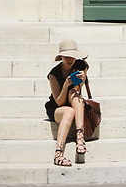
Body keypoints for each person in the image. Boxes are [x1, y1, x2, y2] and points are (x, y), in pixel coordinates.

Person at [45, 38, 89, 167]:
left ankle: (80, 137)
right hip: (57, 107)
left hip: (74, 101)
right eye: (67, 57)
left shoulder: (81, 66)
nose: (70, 60)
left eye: (73, 57)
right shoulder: (54, 74)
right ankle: (58, 154)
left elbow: (78, 92)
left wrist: (81, 80)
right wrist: (66, 85)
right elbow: (59, 102)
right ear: (61, 57)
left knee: (74, 93)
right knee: (69, 111)